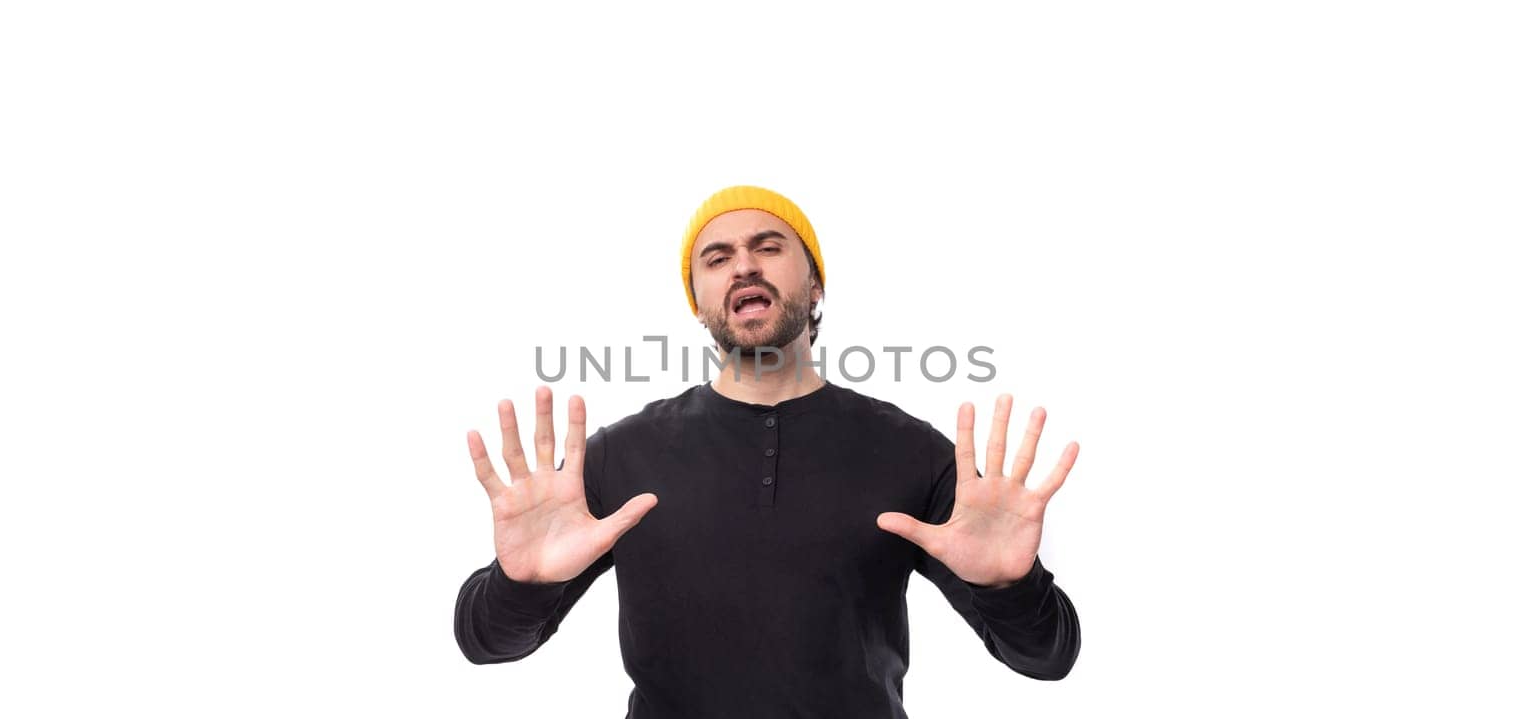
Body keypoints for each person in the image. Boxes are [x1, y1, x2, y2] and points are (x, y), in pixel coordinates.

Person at [453, 185, 1082, 718]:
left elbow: (1047, 658)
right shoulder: (620, 458)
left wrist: (1011, 585)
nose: (743, 267)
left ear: (814, 287)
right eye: (717, 257)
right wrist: (520, 584)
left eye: (769, 247)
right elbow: (486, 644)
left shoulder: (913, 454)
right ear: (699, 304)